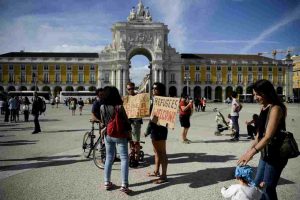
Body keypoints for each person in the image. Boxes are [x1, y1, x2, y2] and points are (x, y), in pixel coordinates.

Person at [238, 79, 288, 200]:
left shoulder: (276, 109)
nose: (255, 97)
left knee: (267, 188)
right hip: (265, 154)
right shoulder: (264, 107)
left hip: (276, 155)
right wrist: (247, 152)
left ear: (266, 93)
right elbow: (259, 135)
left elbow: (268, 136)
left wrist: (251, 153)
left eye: (257, 94)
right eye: (254, 94)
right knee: (257, 185)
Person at [100, 86, 132, 194]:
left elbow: (103, 122)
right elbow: (126, 122)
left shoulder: (102, 107)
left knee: (109, 158)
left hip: (108, 134)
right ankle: (124, 184)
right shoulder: (119, 107)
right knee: (124, 158)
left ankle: (107, 182)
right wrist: (129, 133)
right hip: (120, 135)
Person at [145, 82, 168, 184]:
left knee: (162, 153)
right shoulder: (155, 101)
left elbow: (166, 117)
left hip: (161, 129)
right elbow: (152, 117)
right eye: (153, 89)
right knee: (156, 152)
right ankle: (156, 171)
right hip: (154, 129)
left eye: (156, 89)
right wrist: (148, 130)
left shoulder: (164, 101)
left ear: (161, 90)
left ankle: (164, 176)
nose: (153, 90)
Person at [126, 82, 143, 165]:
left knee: (136, 141)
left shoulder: (139, 97)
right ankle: (132, 154)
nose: (131, 90)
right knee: (130, 140)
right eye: (129, 89)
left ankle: (136, 157)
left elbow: (144, 108)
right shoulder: (125, 99)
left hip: (136, 122)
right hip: (128, 122)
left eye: (132, 88)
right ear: (127, 90)